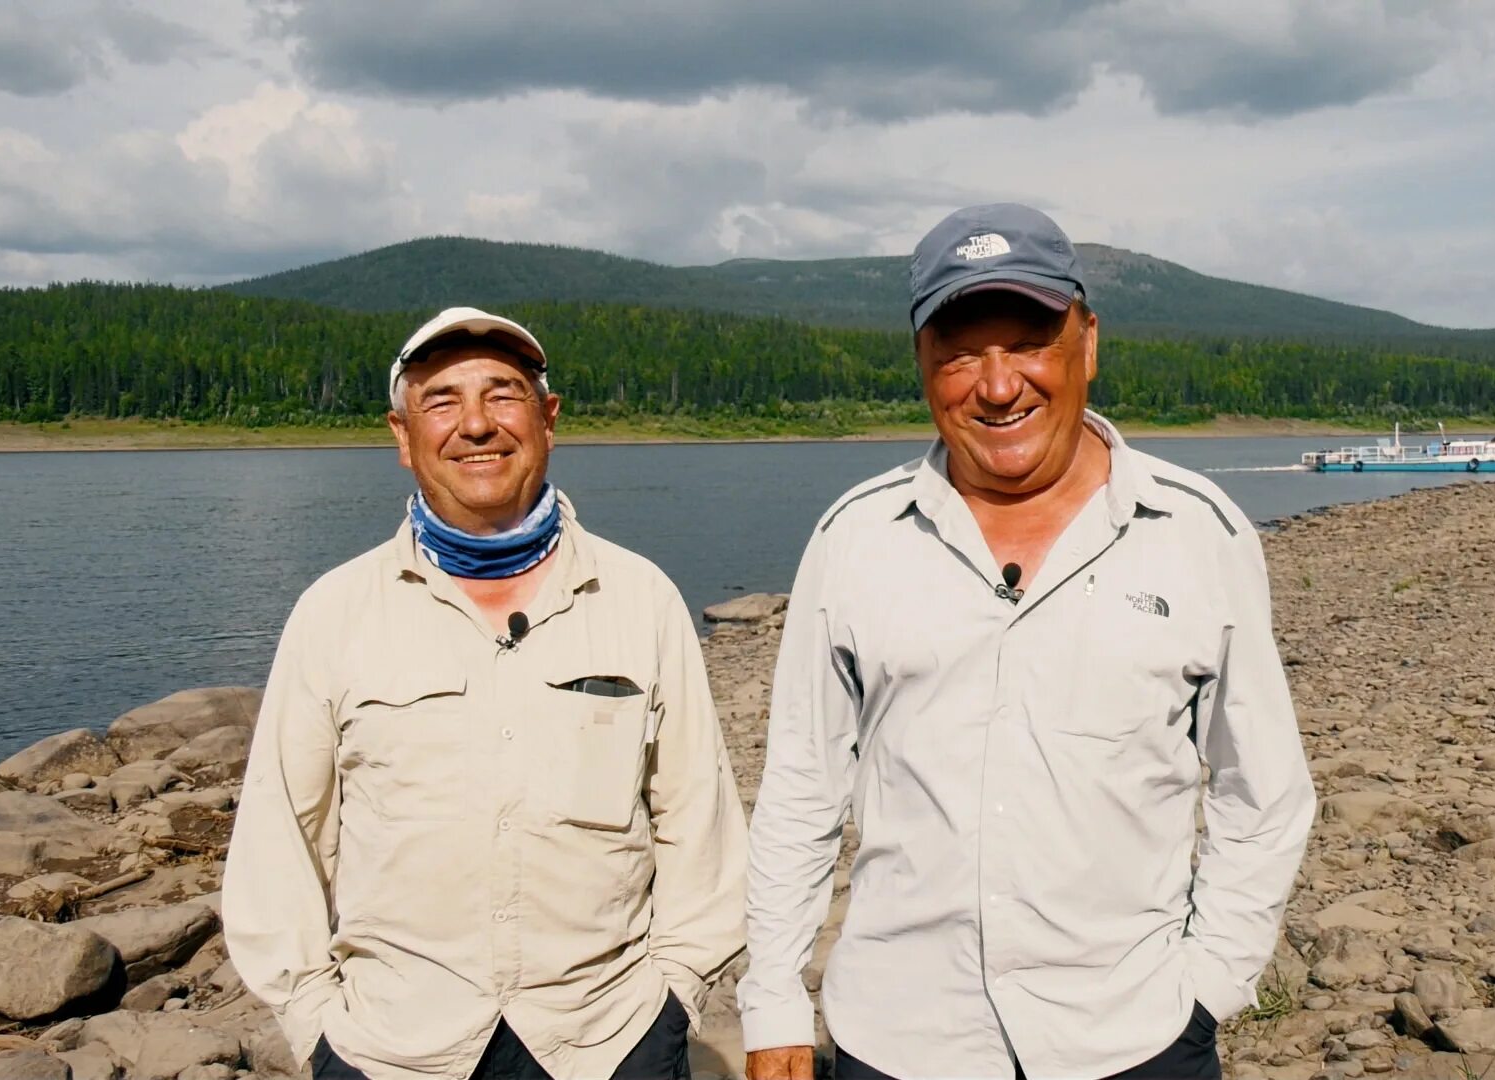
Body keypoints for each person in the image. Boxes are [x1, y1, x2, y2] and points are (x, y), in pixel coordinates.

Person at [739, 206, 1315, 1080]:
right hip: (902, 1040)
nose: (998, 385)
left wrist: (1208, 985)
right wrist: (774, 995)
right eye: (962, 352)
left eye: (1028, 344)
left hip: (1132, 1036)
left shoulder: (1199, 533)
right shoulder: (854, 539)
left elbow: (1263, 791)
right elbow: (800, 791)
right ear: (923, 365)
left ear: (1087, 341)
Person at [223, 307, 747, 1080]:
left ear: (548, 418)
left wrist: (675, 999)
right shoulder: (334, 613)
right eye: (441, 402)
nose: (475, 425)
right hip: (393, 1051)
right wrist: (315, 1026)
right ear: (402, 436)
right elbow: (280, 840)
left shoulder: (640, 598)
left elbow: (698, 822)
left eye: (503, 395)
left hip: (608, 1042)